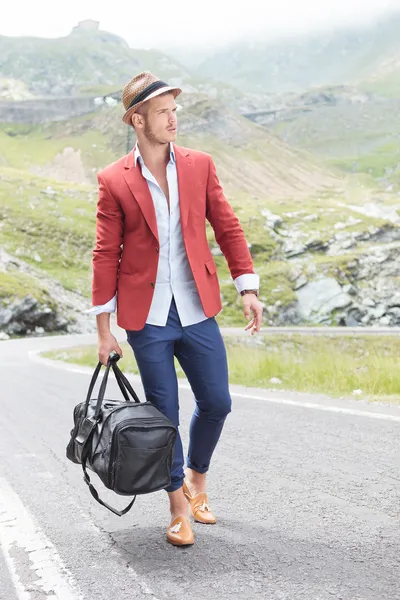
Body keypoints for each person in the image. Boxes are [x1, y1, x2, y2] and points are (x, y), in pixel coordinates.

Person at [89, 71, 263, 546]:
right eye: (163, 112)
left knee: (217, 402)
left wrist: (246, 287)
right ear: (137, 119)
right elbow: (106, 254)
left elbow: (227, 227)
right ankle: (177, 504)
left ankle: (197, 478)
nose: (173, 119)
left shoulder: (199, 165)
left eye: (174, 110)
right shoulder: (113, 180)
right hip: (146, 318)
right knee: (163, 412)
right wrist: (105, 330)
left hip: (197, 307)